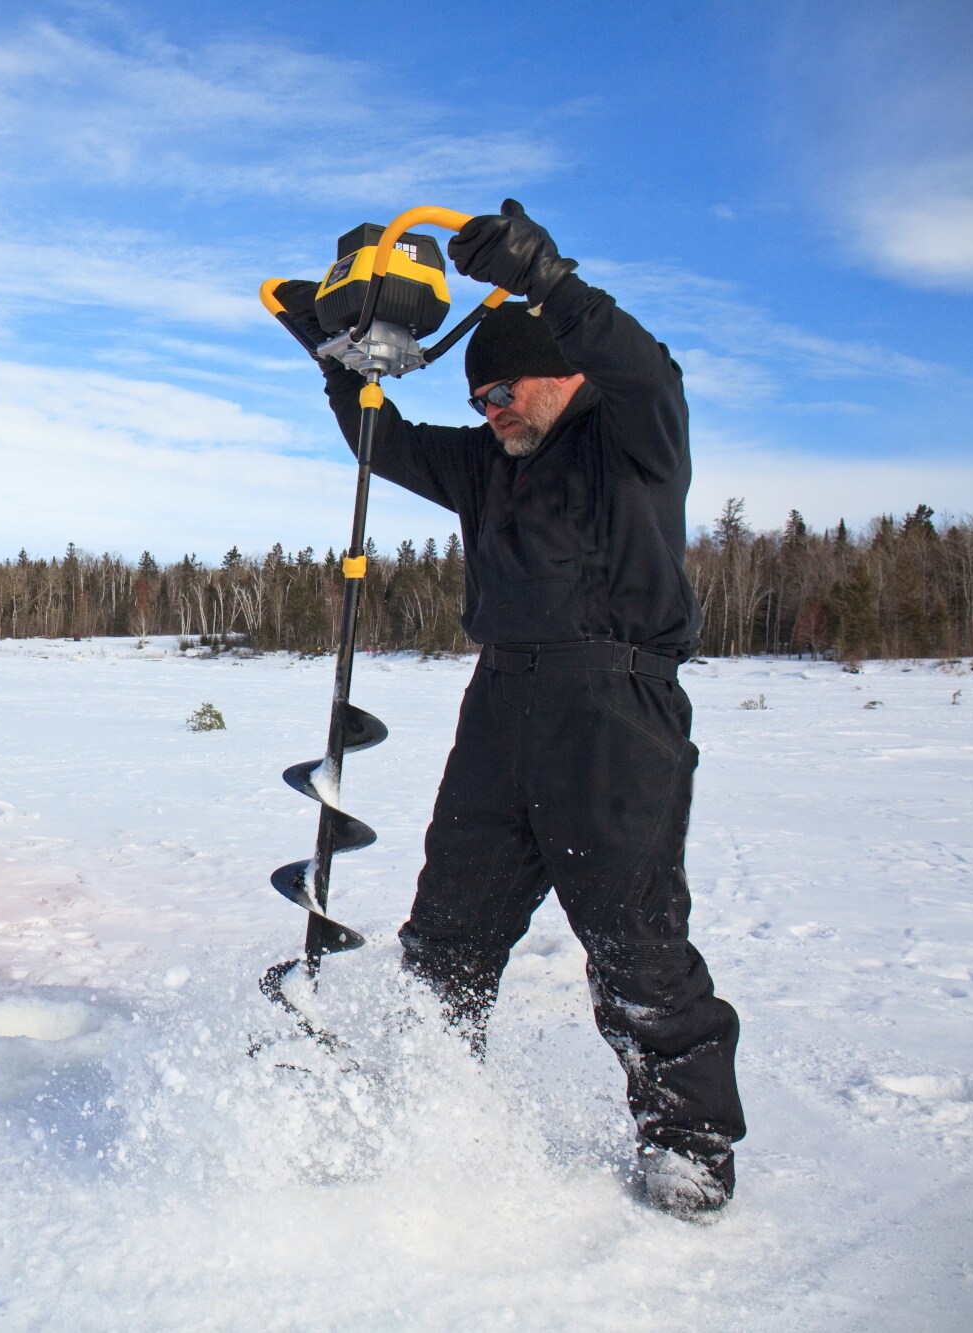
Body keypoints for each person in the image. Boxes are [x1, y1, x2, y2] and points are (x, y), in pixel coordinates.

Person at [310, 201, 745, 1217]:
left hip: (613, 710)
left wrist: (548, 282)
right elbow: (382, 441)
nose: (491, 407)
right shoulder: (483, 465)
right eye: (478, 393)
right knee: (447, 929)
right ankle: (429, 1098)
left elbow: (647, 367)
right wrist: (334, 365)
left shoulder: (630, 439)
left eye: (506, 388)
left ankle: (685, 1142)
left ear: (565, 376)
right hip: (498, 705)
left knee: (633, 940)